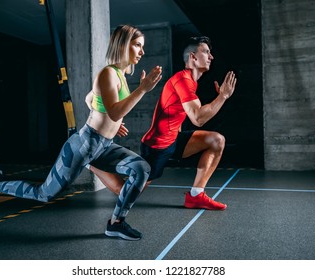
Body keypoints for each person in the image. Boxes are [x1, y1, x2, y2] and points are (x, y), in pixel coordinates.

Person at [0, 24, 163, 241]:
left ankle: (116, 223)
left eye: (142, 47)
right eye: (138, 45)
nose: (142, 52)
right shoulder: (108, 74)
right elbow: (113, 111)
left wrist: (113, 122)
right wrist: (141, 90)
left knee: (141, 168)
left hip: (104, 146)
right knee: (44, 194)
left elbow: (90, 99)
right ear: (123, 45)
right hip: (84, 145)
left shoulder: (121, 76)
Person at [89, 36, 236, 211]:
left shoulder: (190, 81)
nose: (211, 56)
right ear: (193, 57)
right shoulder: (183, 80)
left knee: (217, 140)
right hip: (157, 146)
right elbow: (198, 118)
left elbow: (178, 112)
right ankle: (92, 162)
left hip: (173, 140)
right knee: (125, 192)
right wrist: (222, 97)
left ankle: (196, 196)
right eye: (206, 52)